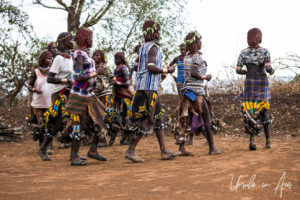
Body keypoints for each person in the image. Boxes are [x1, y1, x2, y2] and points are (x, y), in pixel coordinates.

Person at [125, 20, 176, 163]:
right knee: (146, 120)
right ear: (152, 32)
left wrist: (161, 74)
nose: (159, 34)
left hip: (146, 87)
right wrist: (167, 70)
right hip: (148, 90)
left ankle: (164, 151)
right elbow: (151, 67)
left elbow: (141, 67)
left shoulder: (143, 47)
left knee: (159, 117)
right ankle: (130, 150)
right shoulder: (152, 47)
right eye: (158, 31)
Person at [175, 31, 223, 156]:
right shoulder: (196, 56)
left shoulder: (186, 56)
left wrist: (203, 63)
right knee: (207, 119)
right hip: (197, 93)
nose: (201, 43)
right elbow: (194, 73)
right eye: (200, 41)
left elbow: (191, 69)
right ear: (195, 43)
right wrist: (206, 77)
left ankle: (181, 148)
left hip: (186, 92)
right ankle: (212, 148)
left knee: (186, 120)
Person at [66, 27, 106, 166]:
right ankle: (74, 156)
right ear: (85, 38)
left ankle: (93, 150)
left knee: (99, 121)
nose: (92, 40)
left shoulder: (85, 54)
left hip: (88, 94)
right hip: (79, 95)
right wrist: (97, 73)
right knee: (78, 125)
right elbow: (78, 76)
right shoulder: (79, 54)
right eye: (90, 37)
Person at [38, 32, 74, 161]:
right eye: (71, 40)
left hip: (68, 92)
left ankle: (69, 144)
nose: (73, 42)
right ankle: (43, 148)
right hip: (59, 93)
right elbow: (51, 78)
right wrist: (65, 81)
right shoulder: (59, 58)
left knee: (70, 118)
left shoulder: (70, 57)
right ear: (63, 42)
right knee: (58, 123)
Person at [236, 28, 274, 150]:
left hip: (250, 84)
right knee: (264, 112)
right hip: (262, 84)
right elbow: (268, 67)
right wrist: (271, 70)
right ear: (259, 38)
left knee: (251, 113)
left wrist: (245, 71)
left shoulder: (243, 53)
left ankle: (252, 142)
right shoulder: (265, 52)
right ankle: (268, 142)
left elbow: (238, 70)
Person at [28, 50, 53, 148]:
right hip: (38, 105)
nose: (50, 60)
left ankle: (49, 146)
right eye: (48, 58)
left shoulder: (52, 72)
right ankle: (42, 145)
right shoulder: (36, 72)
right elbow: (29, 86)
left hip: (50, 104)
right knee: (41, 126)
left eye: (51, 58)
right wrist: (34, 90)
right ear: (42, 60)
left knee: (50, 125)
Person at [112, 52, 133, 145]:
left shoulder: (123, 68)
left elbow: (127, 83)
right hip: (117, 96)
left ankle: (129, 137)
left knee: (125, 117)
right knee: (119, 117)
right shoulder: (116, 69)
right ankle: (125, 136)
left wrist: (118, 83)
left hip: (124, 97)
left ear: (122, 59)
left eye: (117, 59)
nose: (115, 60)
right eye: (115, 58)